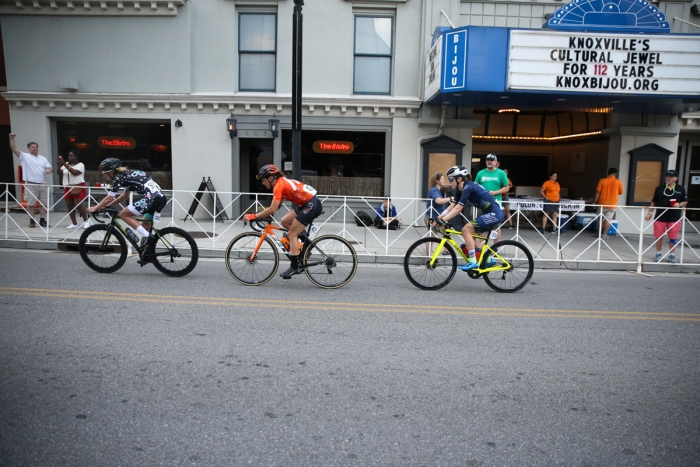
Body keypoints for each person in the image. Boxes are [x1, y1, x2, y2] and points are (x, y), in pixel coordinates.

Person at [245, 164, 323, 279]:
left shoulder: (279, 185)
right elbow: (275, 207)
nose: (263, 183)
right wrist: (261, 214)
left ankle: (295, 266)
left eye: (263, 180)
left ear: (270, 178)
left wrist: (254, 216)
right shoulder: (280, 183)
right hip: (307, 203)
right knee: (285, 221)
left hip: (311, 205)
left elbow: (272, 209)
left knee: (292, 234)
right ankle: (305, 243)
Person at [86, 158, 167, 263]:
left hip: (150, 200)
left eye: (105, 174)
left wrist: (95, 207)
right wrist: (107, 206)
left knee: (123, 214)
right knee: (145, 223)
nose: (105, 176)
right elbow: (124, 196)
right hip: (160, 198)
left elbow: (109, 197)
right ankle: (147, 254)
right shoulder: (129, 174)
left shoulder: (118, 178)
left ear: (111, 172)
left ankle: (149, 237)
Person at [436, 165, 504, 271]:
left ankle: (473, 262)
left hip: (494, 212)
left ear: (459, 179)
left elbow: (458, 208)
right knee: (470, 240)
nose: (449, 182)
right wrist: (438, 217)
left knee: (466, 229)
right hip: (489, 212)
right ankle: (489, 259)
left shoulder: (468, 187)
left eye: (451, 179)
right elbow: (452, 205)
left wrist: (443, 220)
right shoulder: (460, 189)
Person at [9, 133, 53, 228]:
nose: (35, 148)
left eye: (36, 147)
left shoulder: (42, 158)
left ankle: (42, 220)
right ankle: (32, 220)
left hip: (43, 183)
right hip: (31, 183)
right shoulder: (25, 156)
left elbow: (50, 168)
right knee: (31, 203)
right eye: (32, 147)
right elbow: (14, 149)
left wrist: (49, 171)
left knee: (44, 203)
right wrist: (11, 139)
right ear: (28, 148)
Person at [645, 170, 688, 263]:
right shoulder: (660, 188)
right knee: (659, 236)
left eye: (671, 177)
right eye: (667, 176)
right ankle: (658, 253)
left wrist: (679, 204)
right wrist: (649, 213)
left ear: (676, 179)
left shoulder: (680, 188)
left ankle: (672, 255)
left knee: (673, 237)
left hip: (674, 217)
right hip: (660, 216)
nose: (668, 178)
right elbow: (653, 201)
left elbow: (685, 200)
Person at [474, 154, 509, 242]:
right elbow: (475, 186)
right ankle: (481, 249)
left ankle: (495, 249)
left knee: (496, 227)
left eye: (491, 160)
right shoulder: (480, 173)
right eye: (487, 160)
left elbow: (506, 187)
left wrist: (494, 192)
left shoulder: (501, 173)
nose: (489, 161)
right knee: (482, 225)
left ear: (496, 162)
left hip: (496, 203)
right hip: (483, 203)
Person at [58, 150, 90, 229]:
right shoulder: (67, 165)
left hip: (78, 186)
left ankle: (86, 221)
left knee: (77, 204)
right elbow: (59, 173)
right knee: (69, 205)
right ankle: (74, 223)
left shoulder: (80, 165)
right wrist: (59, 165)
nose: (70, 157)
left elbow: (75, 172)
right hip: (67, 186)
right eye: (69, 156)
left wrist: (64, 164)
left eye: (72, 156)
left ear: (76, 157)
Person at [593, 167, 624, 240]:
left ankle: (599, 233)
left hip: (602, 203)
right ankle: (604, 234)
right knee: (608, 219)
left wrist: (595, 200)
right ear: (615, 174)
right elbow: (621, 192)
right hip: (612, 204)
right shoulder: (618, 181)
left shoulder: (602, 180)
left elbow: (598, 191)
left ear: (608, 173)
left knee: (600, 218)